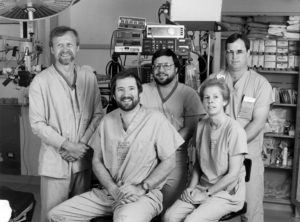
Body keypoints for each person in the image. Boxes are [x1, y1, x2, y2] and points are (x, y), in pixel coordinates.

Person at [47, 69, 184, 222]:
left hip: (142, 195)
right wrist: (112, 189)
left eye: (131, 89)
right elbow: (96, 161)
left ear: (139, 93)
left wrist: (141, 188)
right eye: (120, 89)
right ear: (114, 95)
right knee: (56, 215)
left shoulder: (156, 120)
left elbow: (169, 161)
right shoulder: (106, 121)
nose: (126, 94)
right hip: (110, 193)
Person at [29, 26, 104, 222]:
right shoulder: (41, 81)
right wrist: (67, 145)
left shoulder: (89, 77)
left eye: (69, 44)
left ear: (77, 48)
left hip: (82, 160)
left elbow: (98, 114)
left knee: (79, 216)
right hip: (55, 162)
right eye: (59, 45)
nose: (65, 49)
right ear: (52, 49)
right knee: (52, 215)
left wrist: (81, 146)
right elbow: (37, 124)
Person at [201, 33, 274, 222]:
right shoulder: (213, 80)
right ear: (225, 54)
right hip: (215, 160)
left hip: (247, 158)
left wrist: (231, 146)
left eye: (239, 51)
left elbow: (258, 122)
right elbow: (203, 116)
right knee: (207, 208)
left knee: (250, 212)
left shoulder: (260, 84)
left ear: (248, 53)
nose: (235, 56)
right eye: (230, 52)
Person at [164, 78, 248, 222]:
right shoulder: (202, 126)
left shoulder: (234, 130)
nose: (210, 101)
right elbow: (199, 163)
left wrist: (207, 194)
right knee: (169, 217)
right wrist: (191, 188)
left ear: (225, 101)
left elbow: (233, 174)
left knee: (191, 221)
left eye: (216, 97)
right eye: (206, 98)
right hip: (202, 187)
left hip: (226, 192)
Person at [140, 48, 202, 211]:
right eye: (157, 66)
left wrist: (165, 147)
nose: (161, 70)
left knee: (169, 208)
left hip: (175, 158)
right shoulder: (142, 91)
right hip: (145, 157)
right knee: (143, 206)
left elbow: (190, 128)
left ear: (176, 68)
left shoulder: (189, 94)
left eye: (166, 66)